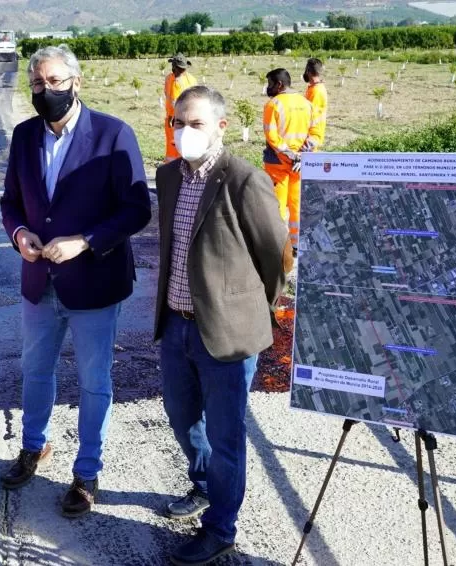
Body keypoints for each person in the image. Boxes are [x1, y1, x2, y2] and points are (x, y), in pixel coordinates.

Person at [0, 44, 151, 517]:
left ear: (76, 83)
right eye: (38, 83)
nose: (46, 90)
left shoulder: (112, 134)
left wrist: (85, 241)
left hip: (94, 283)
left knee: (93, 381)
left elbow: (137, 209)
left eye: (55, 81)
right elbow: (10, 202)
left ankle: (87, 472)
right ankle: (33, 447)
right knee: (35, 371)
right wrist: (20, 234)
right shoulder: (24, 135)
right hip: (39, 281)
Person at [154, 86, 292, 565]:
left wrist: (252, 306)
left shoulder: (244, 180)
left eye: (195, 123)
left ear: (221, 127)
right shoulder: (167, 176)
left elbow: (275, 255)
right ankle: (203, 485)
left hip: (226, 334)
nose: (184, 132)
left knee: (226, 436)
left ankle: (220, 528)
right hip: (176, 325)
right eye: (178, 123)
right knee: (181, 417)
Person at [263, 68, 321, 254]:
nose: (268, 87)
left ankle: (279, 247)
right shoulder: (307, 104)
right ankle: (297, 245)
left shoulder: (273, 105)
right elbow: (316, 134)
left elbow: (272, 136)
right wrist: (302, 155)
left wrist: (290, 154)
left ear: (279, 84)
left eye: (270, 83)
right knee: (297, 205)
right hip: (300, 165)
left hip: (277, 165)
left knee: (277, 205)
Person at [164, 53, 198, 163]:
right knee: (172, 146)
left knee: (181, 145)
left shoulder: (187, 80)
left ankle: (181, 166)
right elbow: (168, 97)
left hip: (182, 120)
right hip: (173, 119)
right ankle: (172, 167)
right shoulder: (169, 79)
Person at [303, 58, 328, 149]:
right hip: (312, 134)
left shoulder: (316, 91)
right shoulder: (314, 88)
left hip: (312, 137)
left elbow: (310, 115)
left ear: (308, 71)